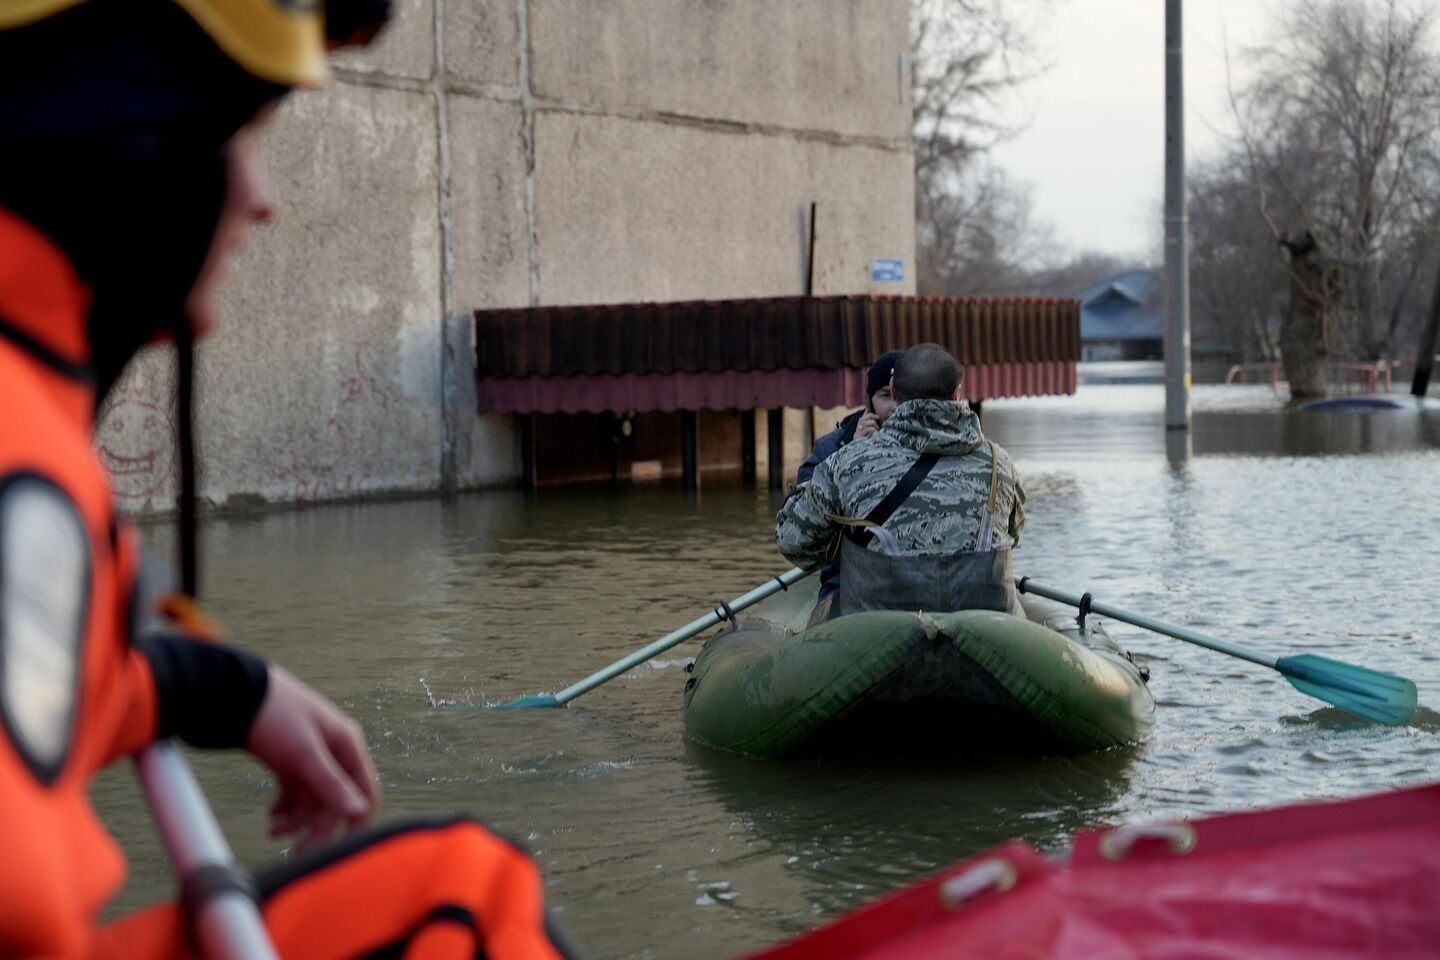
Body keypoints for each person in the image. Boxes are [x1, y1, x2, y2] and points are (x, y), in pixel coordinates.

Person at [0, 2, 573, 958]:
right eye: (249, 140)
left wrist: (223, 688)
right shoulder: (24, 458)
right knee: (465, 910)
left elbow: (45, 709)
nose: (263, 198)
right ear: (138, 152)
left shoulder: (35, 401)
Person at [775, 342, 1026, 618]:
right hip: (986, 631)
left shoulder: (846, 463)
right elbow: (1013, 534)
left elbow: (794, 543)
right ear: (957, 393)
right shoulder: (999, 463)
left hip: (878, 636)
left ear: (894, 390)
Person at [791, 350, 902, 621]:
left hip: (911, 584)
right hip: (845, 581)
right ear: (869, 401)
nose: (894, 407)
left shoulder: (931, 444)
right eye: (885, 396)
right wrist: (852, 454)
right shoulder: (834, 445)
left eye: (901, 397)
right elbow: (796, 514)